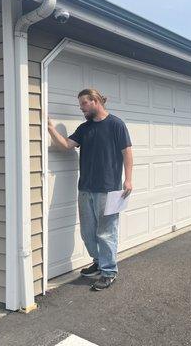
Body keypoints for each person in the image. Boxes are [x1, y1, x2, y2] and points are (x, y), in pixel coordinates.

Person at [48, 88, 133, 291]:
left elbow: (127, 153)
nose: (81, 109)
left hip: (109, 189)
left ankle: (109, 272)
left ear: (95, 101)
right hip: (85, 188)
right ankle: (98, 261)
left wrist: (128, 179)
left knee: (106, 233)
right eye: (80, 106)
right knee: (88, 232)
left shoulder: (116, 124)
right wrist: (50, 128)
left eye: (83, 104)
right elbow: (67, 145)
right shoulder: (85, 129)